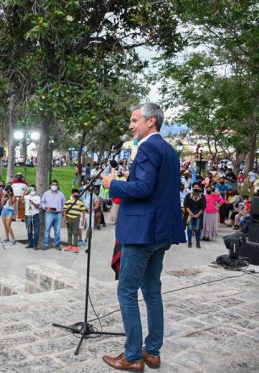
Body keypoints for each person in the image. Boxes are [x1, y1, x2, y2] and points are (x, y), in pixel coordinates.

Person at [100, 102, 185, 372]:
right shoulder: (169, 150)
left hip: (141, 233)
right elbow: (157, 188)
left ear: (151, 121)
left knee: (126, 291)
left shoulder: (148, 147)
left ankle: (134, 356)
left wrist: (112, 183)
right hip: (160, 232)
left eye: (134, 120)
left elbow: (144, 188)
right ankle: (153, 352)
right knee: (152, 291)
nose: (130, 125)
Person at [40, 180, 66, 250]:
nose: (54, 186)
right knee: (47, 230)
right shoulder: (46, 193)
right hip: (49, 213)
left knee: (57, 230)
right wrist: (45, 207)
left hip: (58, 214)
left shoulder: (61, 194)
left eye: (56, 185)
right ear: (50, 185)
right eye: (53, 184)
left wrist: (62, 210)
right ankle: (46, 244)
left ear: (57, 186)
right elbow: (42, 202)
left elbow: (64, 204)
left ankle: (57, 244)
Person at [63, 188, 86, 253]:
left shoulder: (80, 202)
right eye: (76, 193)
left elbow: (83, 211)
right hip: (69, 218)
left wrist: (83, 219)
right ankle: (69, 245)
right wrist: (65, 219)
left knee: (75, 232)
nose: (77, 194)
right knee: (69, 232)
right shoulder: (68, 201)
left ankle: (75, 246)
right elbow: (64, 211)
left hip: (76, 218)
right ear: (72, 194)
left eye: (78, 193)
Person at [183, 182, 205, 248]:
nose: (196, 188)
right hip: (189, 214)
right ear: (192, 188)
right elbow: (185, 205)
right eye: (194, 187)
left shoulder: (202, 196)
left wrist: (197, 214)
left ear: (200, 188)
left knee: (198, 229)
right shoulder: (188, 195)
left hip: (198, 215)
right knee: (189, 228)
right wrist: (191, 213)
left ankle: (198, 243)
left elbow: (203, 207)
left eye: (197, 187)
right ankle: (189, 242)